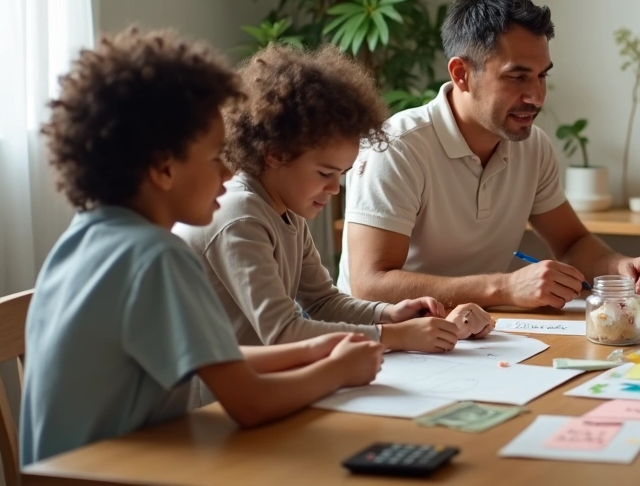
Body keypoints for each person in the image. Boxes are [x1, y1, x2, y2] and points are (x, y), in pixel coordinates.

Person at [21, 28, 383, 464]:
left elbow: (213, 361)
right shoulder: (157, 257)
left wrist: (314, 349)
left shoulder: (86, 238)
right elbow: (250, 404)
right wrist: (338, 371)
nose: (229, 174)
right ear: (163, 168)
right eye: (215, 158)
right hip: (112, 473)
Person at [338, 0, 640, 308]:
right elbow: (369, 285)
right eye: (517, 77)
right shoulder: (396, 148)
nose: (537, 97)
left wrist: (622, 269)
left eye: (542, 76)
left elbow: (573, 244)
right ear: (461, 74)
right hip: (386, 345)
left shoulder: (532, 146)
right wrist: (505, 287)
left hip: (479, 336)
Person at [175, 45, 493, 354]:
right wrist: (395, 336)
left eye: (340, 175)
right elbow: (283, 333)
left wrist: (389, 314)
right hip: (211, 402)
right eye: (325, 173)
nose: (335, 189)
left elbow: (324, 302)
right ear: (276, 154)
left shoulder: (285, 208)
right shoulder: (241, 215)